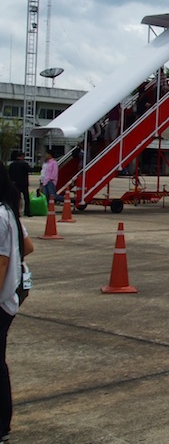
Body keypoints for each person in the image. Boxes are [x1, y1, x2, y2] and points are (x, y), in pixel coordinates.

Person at [0, 162, 34, 441]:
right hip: (11, 297)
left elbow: (2, 262)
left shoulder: (0, 215)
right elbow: (28, 247)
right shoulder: (9, 211)